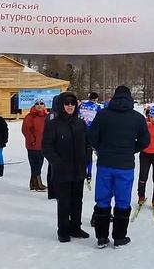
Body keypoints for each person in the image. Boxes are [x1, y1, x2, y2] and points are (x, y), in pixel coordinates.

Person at [90, 85, 150, 248]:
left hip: (105, 164)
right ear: (129, 98)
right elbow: (145, 142)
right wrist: (131, 149)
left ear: (114, 97)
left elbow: (92, 138)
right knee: (122, 201)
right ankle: (119, 237)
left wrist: (101, 149)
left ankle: (101, 237)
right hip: (125, 166)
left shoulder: (102, 115)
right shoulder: (137, 118)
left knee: (102, 199)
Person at [42, 92, 91, 243]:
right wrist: (57, 162)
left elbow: (87, 145)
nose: (70, 106)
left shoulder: (80, 123)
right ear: (61, 105)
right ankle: (63, 230)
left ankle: (75, 227)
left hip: (79, 169)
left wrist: (86, 163)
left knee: (77, 201)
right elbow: (46, 147)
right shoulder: (53, 124)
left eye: (72, 103)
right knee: (64, 202)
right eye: (67, 103)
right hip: (62, 170)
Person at [22, 99, 48, 190]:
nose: (39, 105)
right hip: (33, 145)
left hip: (43, 145)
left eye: (41, 104)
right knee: (35, 165)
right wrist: (32, 140)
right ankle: (37, 183)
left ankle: (33, 183)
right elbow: (26, 130)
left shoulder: (46, 116)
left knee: (39, 164)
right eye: (37, 104)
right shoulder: (30, 117)